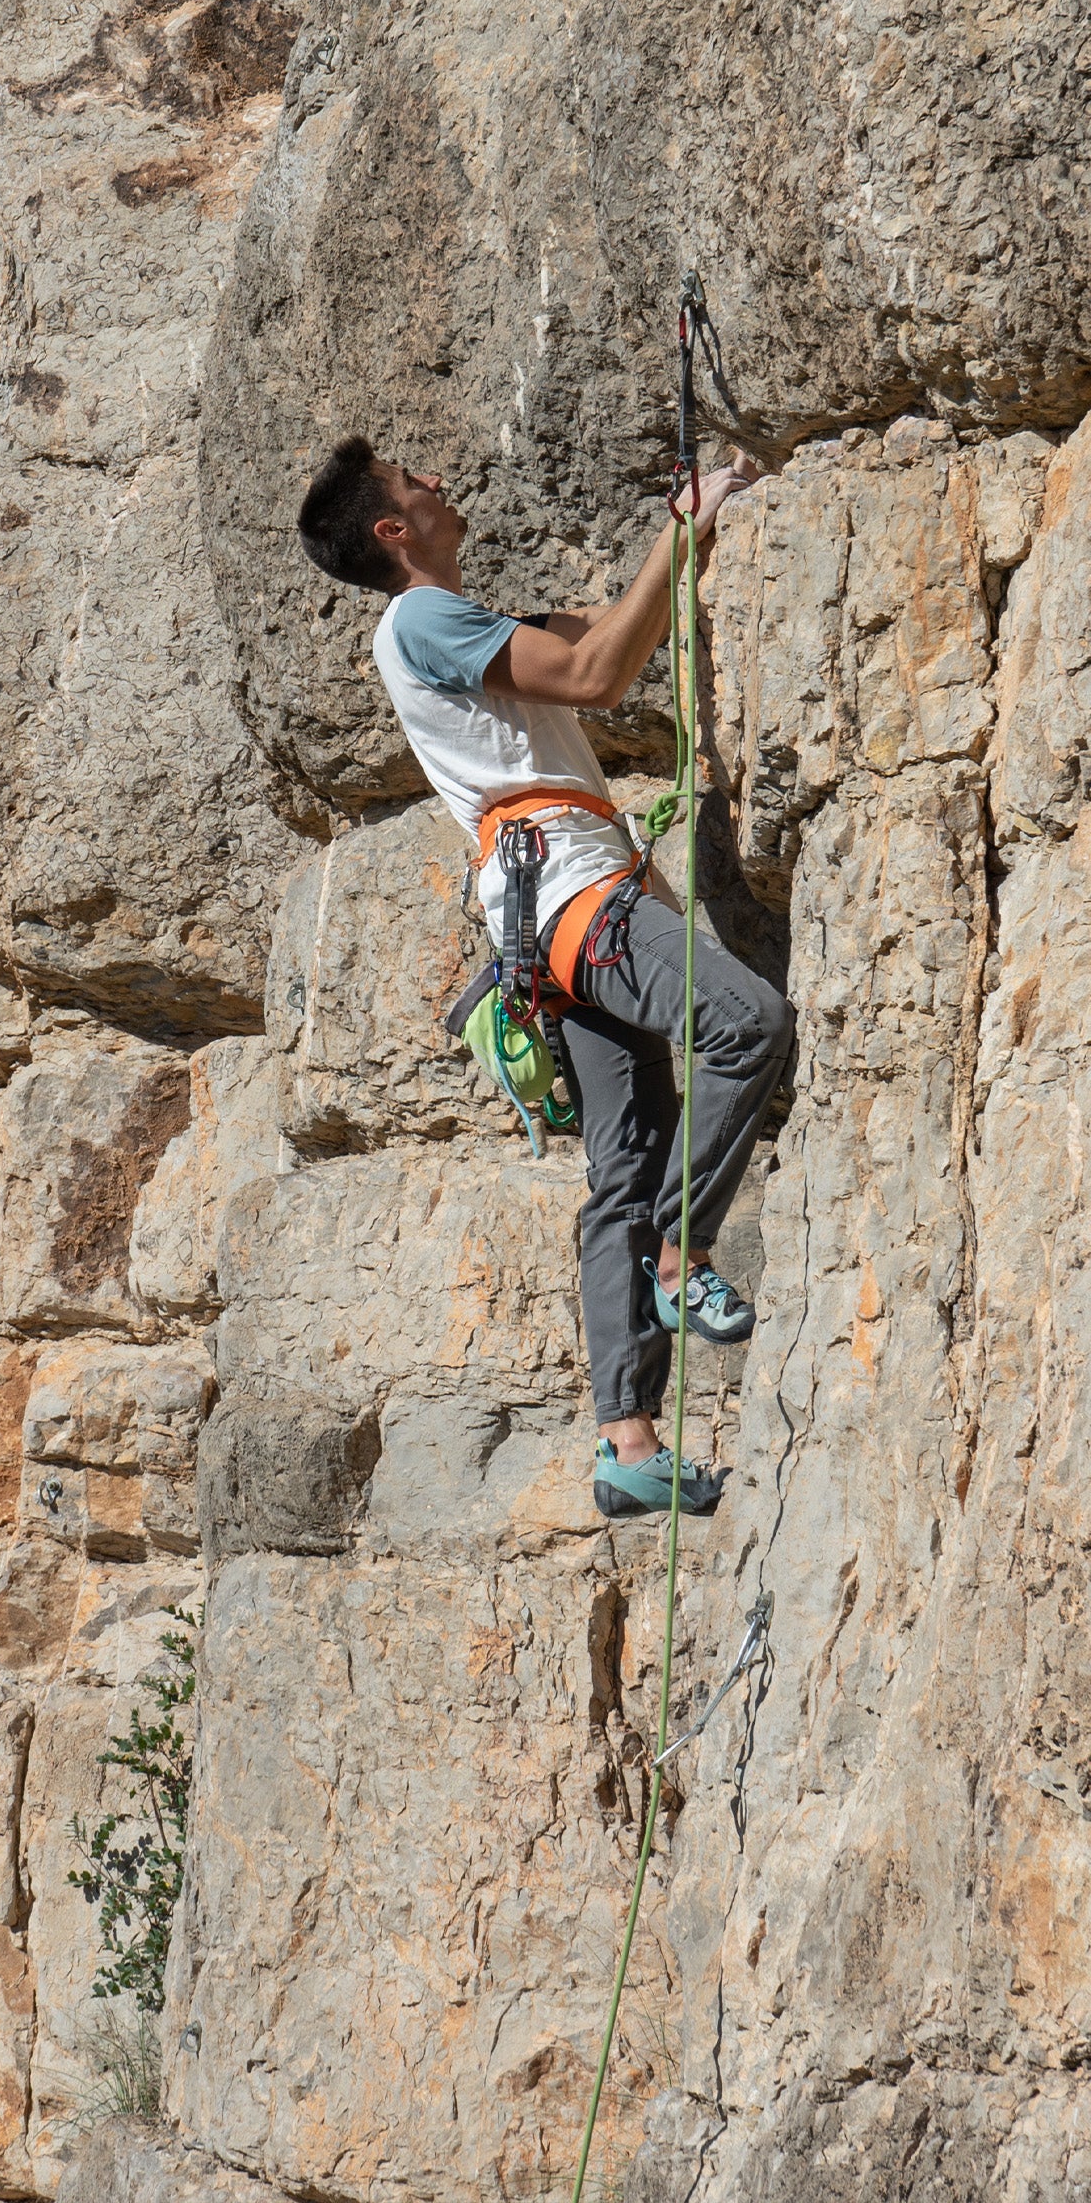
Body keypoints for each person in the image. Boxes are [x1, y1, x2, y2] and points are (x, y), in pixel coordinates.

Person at [296, 438, 794, 1519]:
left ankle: (627, 1444)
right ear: (392, 529)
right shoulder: (421, 620)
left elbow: (603, 629)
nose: (436, 478)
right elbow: (597, 674)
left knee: (625, 1169)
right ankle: (682, 1253)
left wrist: (697, 526)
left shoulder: (456, 626)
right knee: (744, 1022)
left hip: (542, 924)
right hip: (572, 897)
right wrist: (683, 525)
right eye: (414, 480)